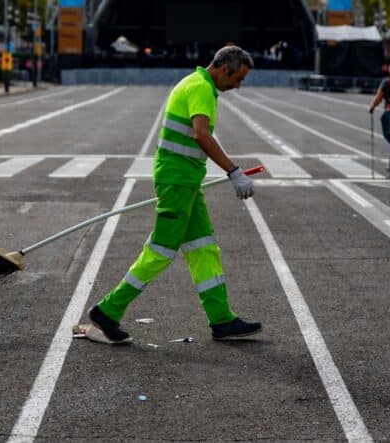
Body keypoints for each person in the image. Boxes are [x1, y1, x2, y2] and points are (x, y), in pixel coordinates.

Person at [88, 45, 262, 344]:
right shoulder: (200, 89)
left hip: (186, 181)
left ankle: (221, 320)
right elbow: (201, 134)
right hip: (177, 181)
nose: (238, 85)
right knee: (161, 250)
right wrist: (234, 171)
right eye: (238, 78)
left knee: (203, 248)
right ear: (223, 69)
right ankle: (109, 309)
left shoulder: (195, 84)